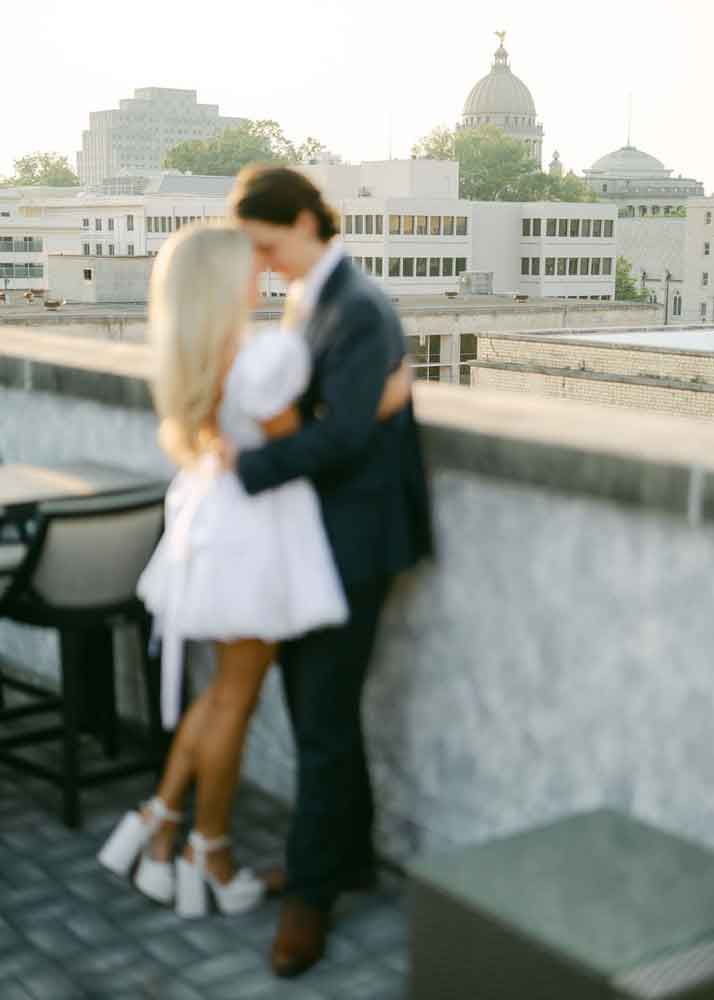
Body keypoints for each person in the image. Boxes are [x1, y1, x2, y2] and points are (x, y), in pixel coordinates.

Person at [97, 223, 412, 919]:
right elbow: (305, 444)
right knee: (234, 699)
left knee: (220, 693)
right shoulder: (259, 356)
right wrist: (382, 402)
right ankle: (205, 849)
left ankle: (160, 824)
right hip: (256, 540)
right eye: (248, 266)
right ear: (223, 282)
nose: (261, 274)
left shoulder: (197, 353)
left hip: (215, 528)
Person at [230, 166, 433, 977]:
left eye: (267, 245)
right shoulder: (311, 297)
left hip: (357, 541)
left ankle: (310, 898)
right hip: (320, 536)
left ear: (308, 221)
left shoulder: (359, 306)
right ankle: (343, 861)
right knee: (323, 710)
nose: (264, 263)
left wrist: (239, 468)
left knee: (320, 714)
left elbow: (343, 438)